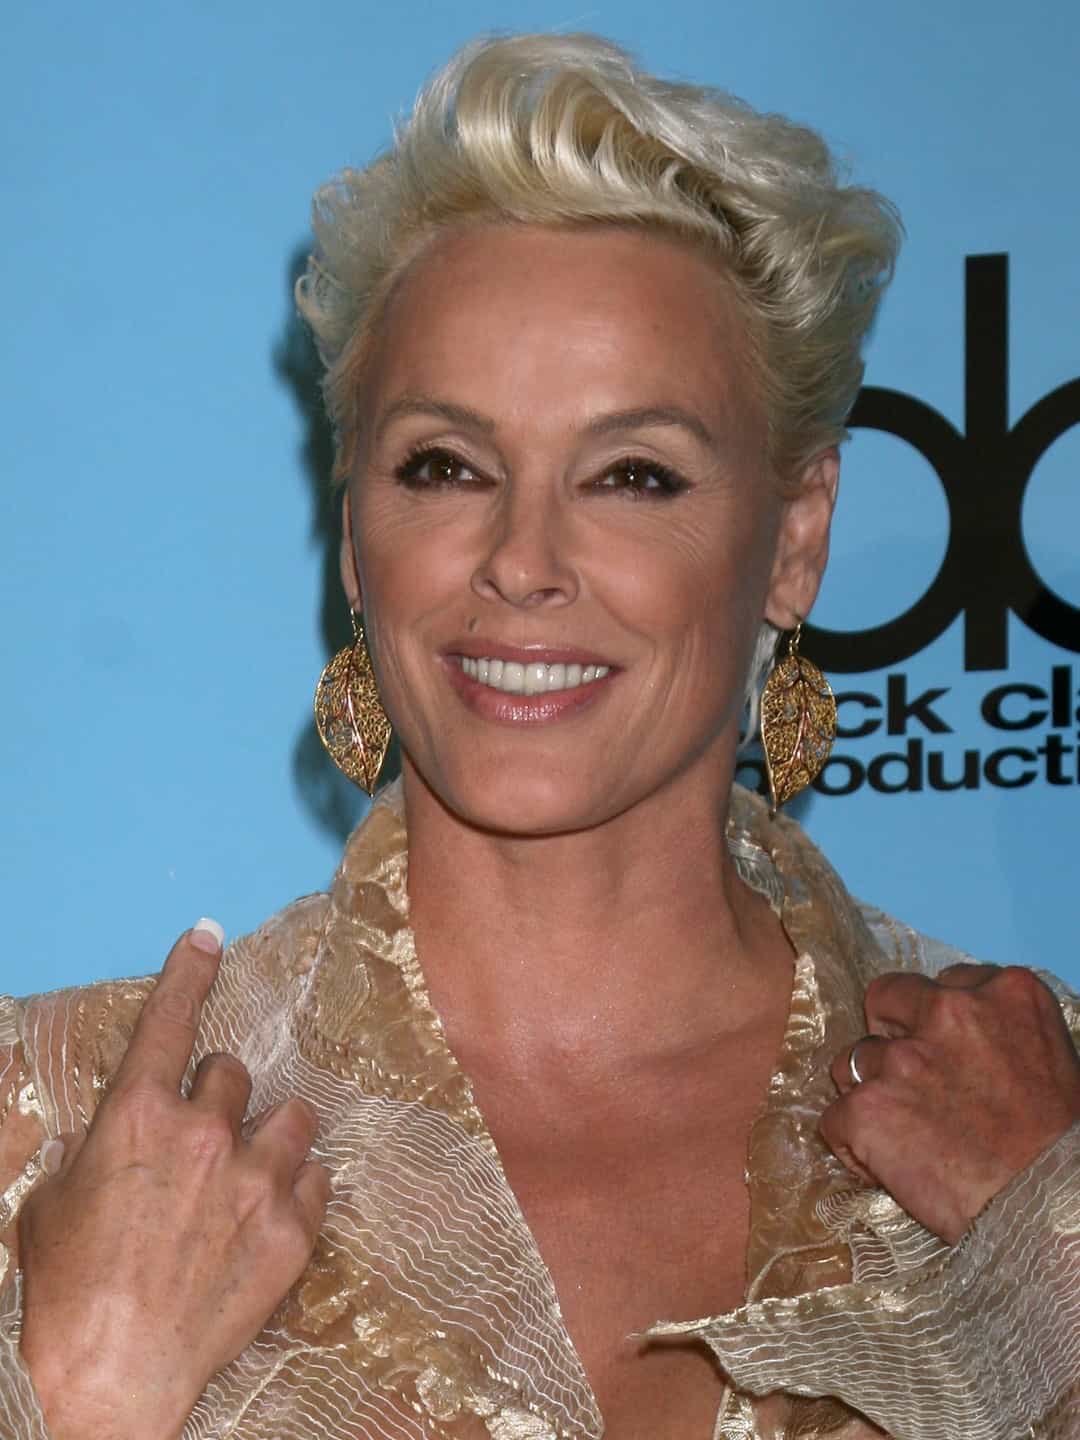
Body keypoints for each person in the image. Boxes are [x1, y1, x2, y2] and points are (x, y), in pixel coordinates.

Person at [1, 33, 1077, 1440]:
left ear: (795, 539)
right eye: (445, 466)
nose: (521, 560)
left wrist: (1052, 1237)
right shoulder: (49, 1126)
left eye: (634, 476)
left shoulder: (1038, 1112)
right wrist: (81, 1397)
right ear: (354, 533)